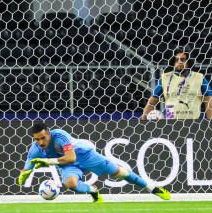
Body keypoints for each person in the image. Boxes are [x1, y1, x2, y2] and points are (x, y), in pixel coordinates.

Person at [18, 122, 171, 203]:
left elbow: (71, 157)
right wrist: (23, 176)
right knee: (71, 185)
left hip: (84, 155)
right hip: (68, 166)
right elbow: (26, 168)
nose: (41, 142)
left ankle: (152, 189)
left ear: (48, 133)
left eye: (43, 138)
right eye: (37, 139)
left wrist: (47, 162)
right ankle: (93, 190)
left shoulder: (59, 135)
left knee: (120, 173)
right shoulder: (35, 149)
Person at [142, 49, 212, 119]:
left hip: (193, 122)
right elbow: (151, 102)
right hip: (171, 123)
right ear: (173, 62)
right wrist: (143, 118)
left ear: (188, 62)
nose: (179, 62)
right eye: (176, 60)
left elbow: (209, 101)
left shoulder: (199, 78)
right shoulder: (165, 78)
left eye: (182, 59)